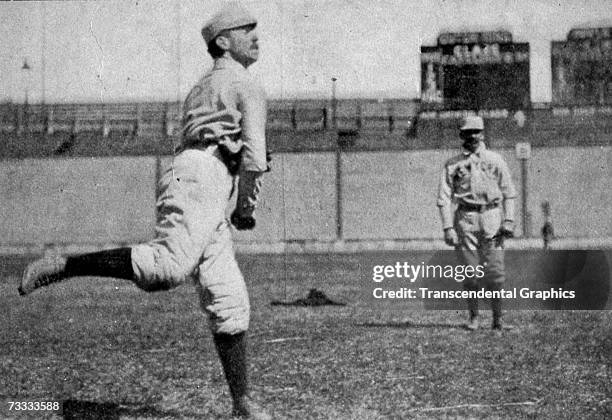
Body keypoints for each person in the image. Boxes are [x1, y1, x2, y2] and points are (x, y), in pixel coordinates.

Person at [19, 3, 271, 419]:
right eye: (247, 30)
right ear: (222, 42)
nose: (256, 37)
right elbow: (254, 159)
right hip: (204, 180)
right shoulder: (247, 84)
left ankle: (243, 403)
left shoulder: (202, 85)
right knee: (165, 268)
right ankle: (62, 264)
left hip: (198, 178)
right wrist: (246, 208)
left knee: (229, 300)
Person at [437, 115, 517, 331]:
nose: (472, 136)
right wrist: (447, 227)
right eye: (468, 132)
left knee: (495, 271)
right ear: (461, 135)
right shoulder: (453, 165)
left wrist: (508, 220)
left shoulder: (495, 159)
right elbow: (444, 199)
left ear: (482, 133)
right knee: (469, 272)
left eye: (476, 131)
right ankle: (474, 317)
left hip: (491, 215)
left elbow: (509, 193)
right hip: (465, 218)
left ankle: (498, 319)